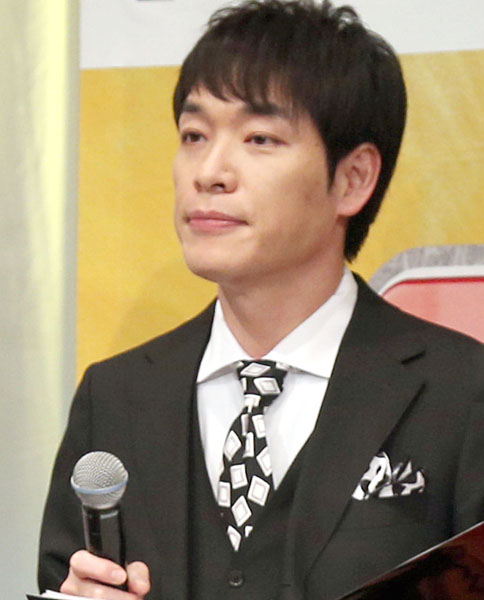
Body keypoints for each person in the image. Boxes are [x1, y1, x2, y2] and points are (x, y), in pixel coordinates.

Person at [38, 1, 484, 599]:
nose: (209, 172)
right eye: (194, 136)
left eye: (260, 138)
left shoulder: (462, 393)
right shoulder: (115, 398)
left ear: (353, 178)